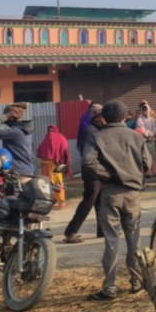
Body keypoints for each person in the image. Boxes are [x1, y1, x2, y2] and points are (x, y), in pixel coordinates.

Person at [82, 100, 149, 301]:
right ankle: (136, 282)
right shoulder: (136, 137)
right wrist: (133, 173)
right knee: (133, 240)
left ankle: (110, 287)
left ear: (105, 116)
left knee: (112, 241)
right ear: (125, 116)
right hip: (133, 193)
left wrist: (108, 175)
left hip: (110, 194)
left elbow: (87, 161)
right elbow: (147, 163)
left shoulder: (97, 137)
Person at [65, 103, 105, 243]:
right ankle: (71, 231)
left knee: (100, 200)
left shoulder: (94, 128)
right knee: (88, 201)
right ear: (96, 117)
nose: (105, 119)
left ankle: (102, 229)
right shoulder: (91, 130)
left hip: (95, 170)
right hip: (91, 171)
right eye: (102, 116)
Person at [0, 102, 35, 176]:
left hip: (17, 172)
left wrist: (5, 116)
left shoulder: (14, 132)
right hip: (28, 170)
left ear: (10, 118)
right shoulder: (25, 130)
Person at [36, 125, 71, 209]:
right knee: (57, 182)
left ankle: (52, 201)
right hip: (55, 165)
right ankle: (61, 201)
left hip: (46, 165)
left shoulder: (46, 139)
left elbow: (40, 151)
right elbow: (65, 150)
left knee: (47, 183)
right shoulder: (61, 138)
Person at [136, 101, 156, 178]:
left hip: (151, 140)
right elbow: (140, 128)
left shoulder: (152, 119)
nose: (145, 111)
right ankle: (147, 172)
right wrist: (147, 135)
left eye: (146, 109)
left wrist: (151, 135)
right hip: (144, 140)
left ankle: (154, 171)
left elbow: (154, 128)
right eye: (144, 110)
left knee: (153, 155)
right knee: (145, 155)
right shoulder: (139, 119)